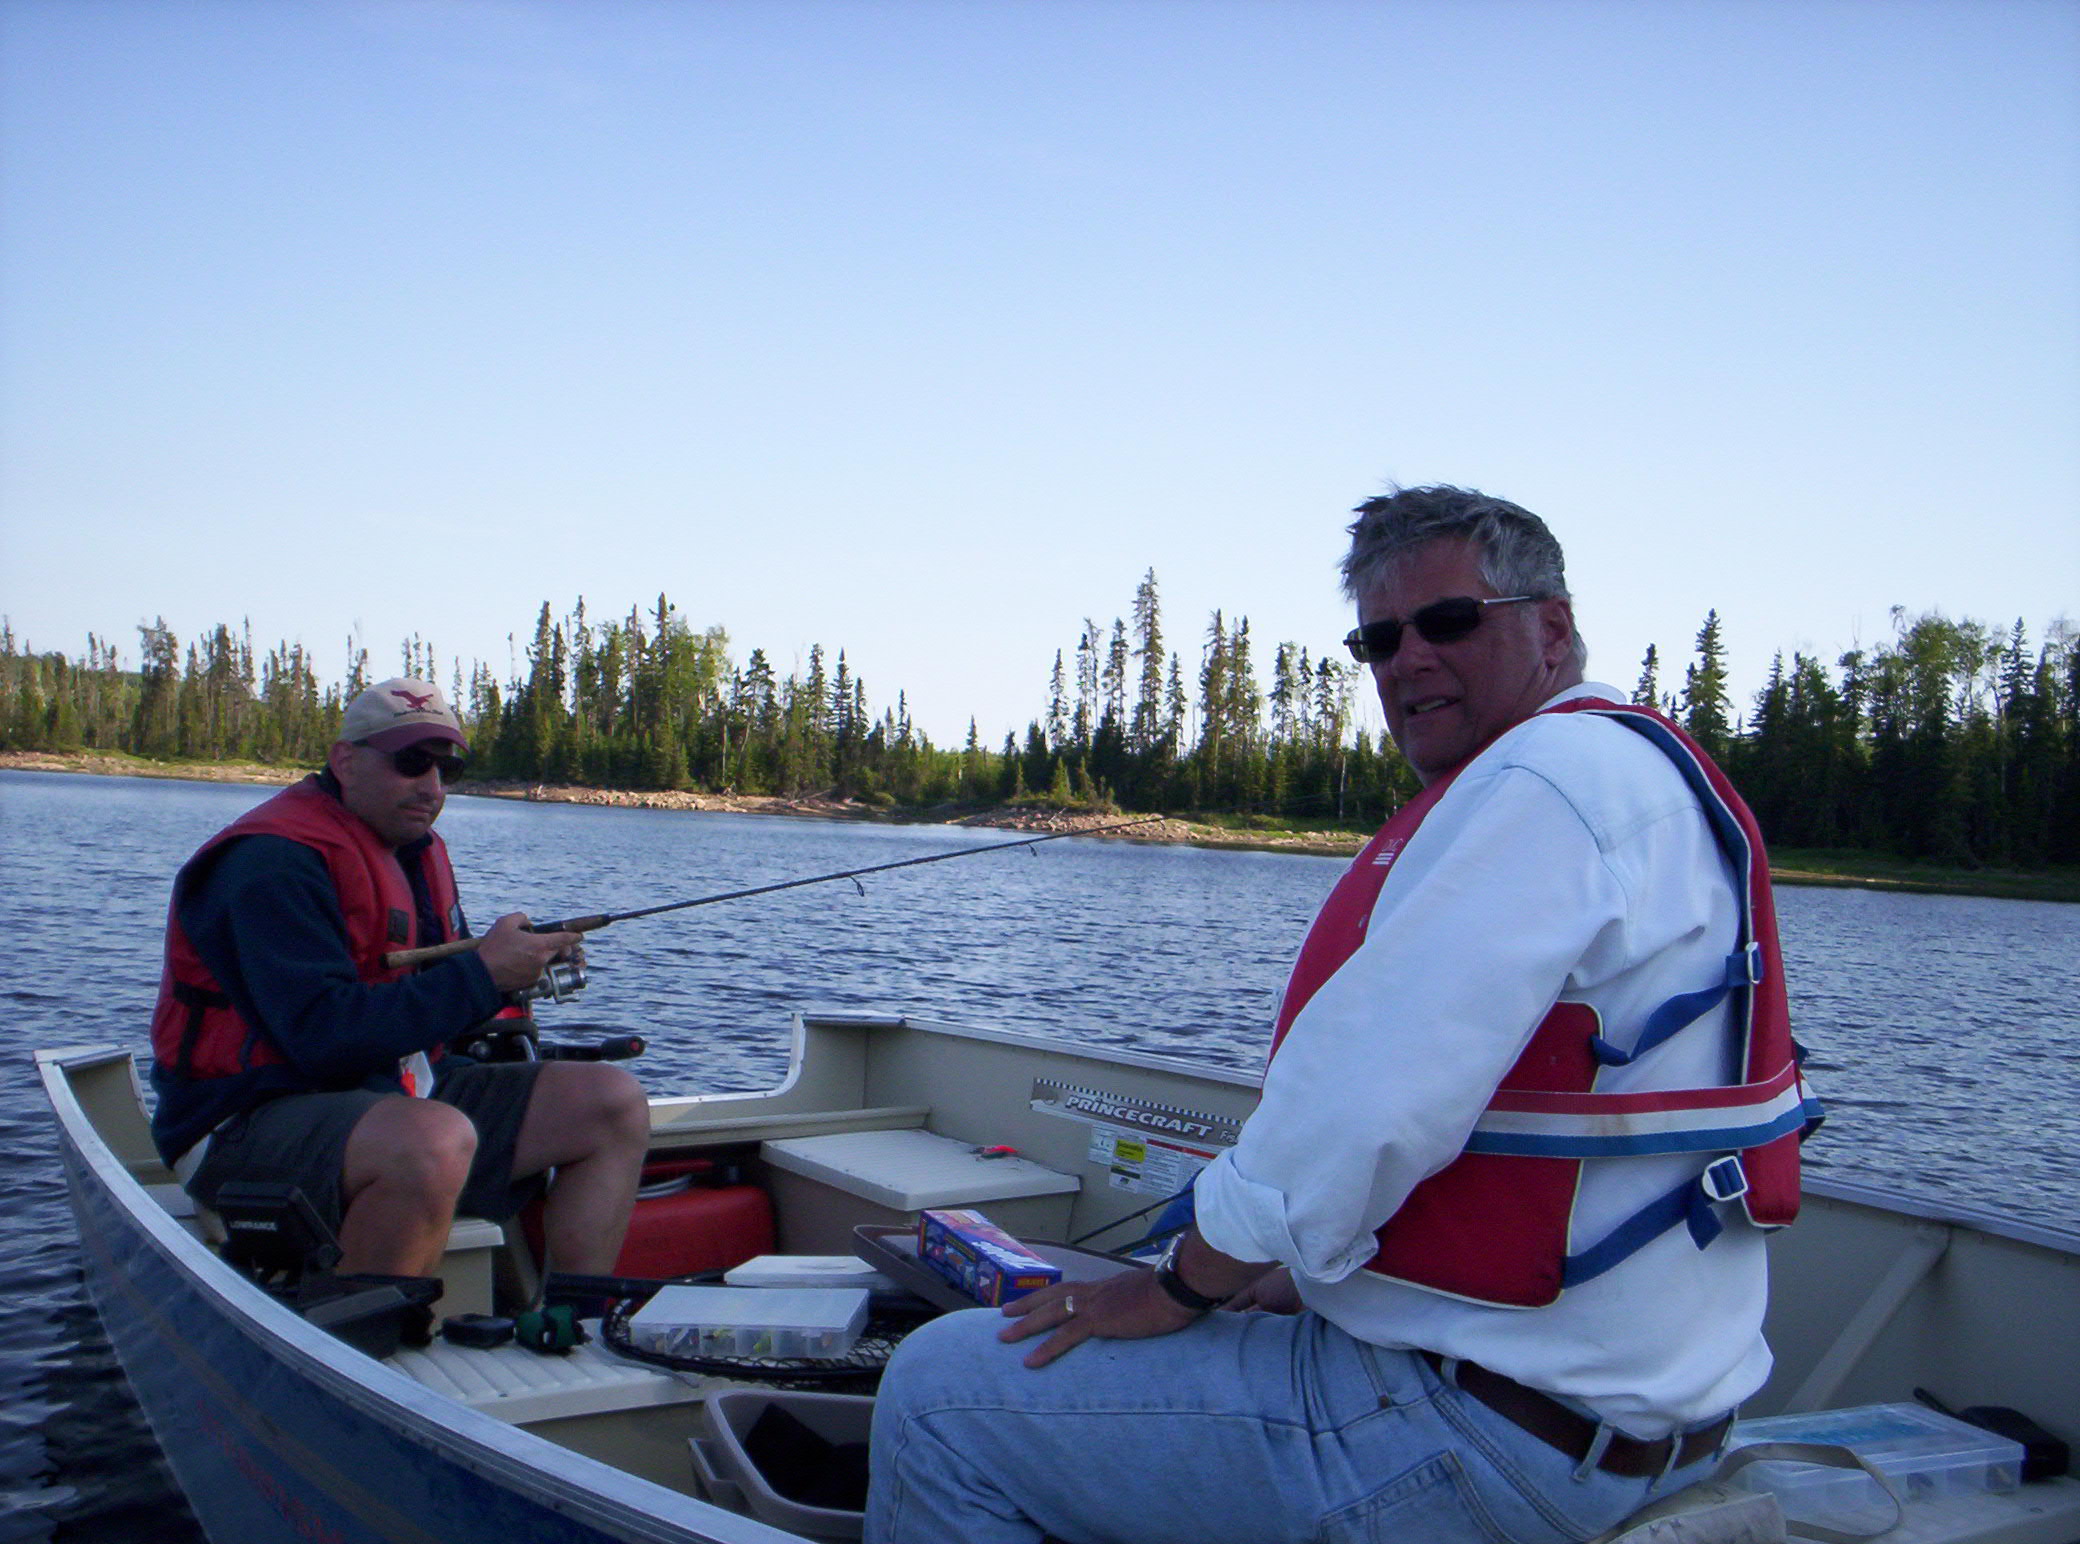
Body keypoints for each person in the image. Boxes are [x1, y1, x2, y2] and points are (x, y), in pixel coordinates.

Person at [866, 486, 1818, 1544]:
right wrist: (1295, 1272)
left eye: (1448, 621)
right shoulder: (1634, 774)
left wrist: (1179, 1288)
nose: (1408, 660)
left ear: (1551, 628)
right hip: (1626, 1434)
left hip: (1483, 1440)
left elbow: (1363, 1109)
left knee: (941, 1391)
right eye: (1378, 638)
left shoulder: (1545, 782)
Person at [149, 676, 650, 1280]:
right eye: (411, 762)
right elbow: (321, 1038)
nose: (432, 786)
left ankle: (578, 1317)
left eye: (448, 768)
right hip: (244, 1120)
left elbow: (428, 999)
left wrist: (516, 972)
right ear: (345, 761)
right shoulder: (270, 864)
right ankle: (365, 1326)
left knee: (611, 1102)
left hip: (394, 1090)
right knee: (432, 1139)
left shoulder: (413, 848)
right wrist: (481, 975)